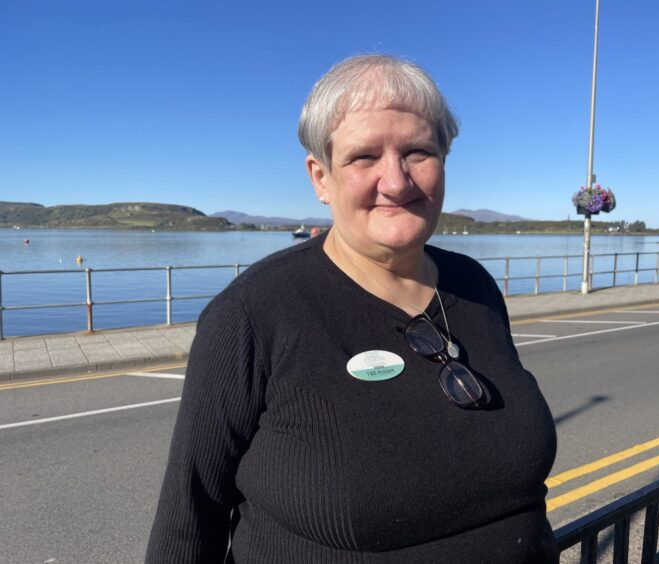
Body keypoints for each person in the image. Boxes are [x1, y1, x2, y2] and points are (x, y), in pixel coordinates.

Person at [146, 54, 557, 563]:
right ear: (321, 178)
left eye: (418, 152)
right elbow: (188, 525)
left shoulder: (474, 286)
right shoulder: (253, 314)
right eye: (364, 157)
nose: (397, 180)